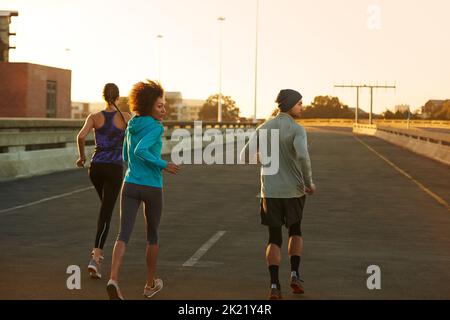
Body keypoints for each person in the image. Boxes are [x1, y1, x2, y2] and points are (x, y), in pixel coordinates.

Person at [106, 80, 180, 300]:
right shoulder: (156, 127)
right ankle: (149, 284)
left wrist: (137, 169)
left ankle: (113, 279)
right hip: (152, 187)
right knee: (152, 236)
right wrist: (163, 164)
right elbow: (140, 151)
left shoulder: (132, 125)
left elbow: (126, 157)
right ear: (149, 107)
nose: (164, 110)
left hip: (129, 185)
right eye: (160, 106)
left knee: (123, 234)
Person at [241, 89, 316, 300]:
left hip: (270, 192)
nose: (302, 106)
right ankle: (295, 274)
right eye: (300, 103)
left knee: (274, 238)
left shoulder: (263, 127)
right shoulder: (297, 129)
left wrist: (260, 157)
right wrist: (309, 182)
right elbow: (303, 156)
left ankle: (274, 285)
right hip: (294, 191)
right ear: (290, 105)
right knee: (295, 230)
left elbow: (244, 155)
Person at [76, 83, 131, 279]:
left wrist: (82, 157)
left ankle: (96, 256)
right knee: (106, 213)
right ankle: (96, 257)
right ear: (118, 97)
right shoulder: (126, 117)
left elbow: (81, 136)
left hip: (96, 168)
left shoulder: (94, 117)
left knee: (105, 208)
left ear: (103, 97)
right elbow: (137, 135)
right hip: (114, 168)